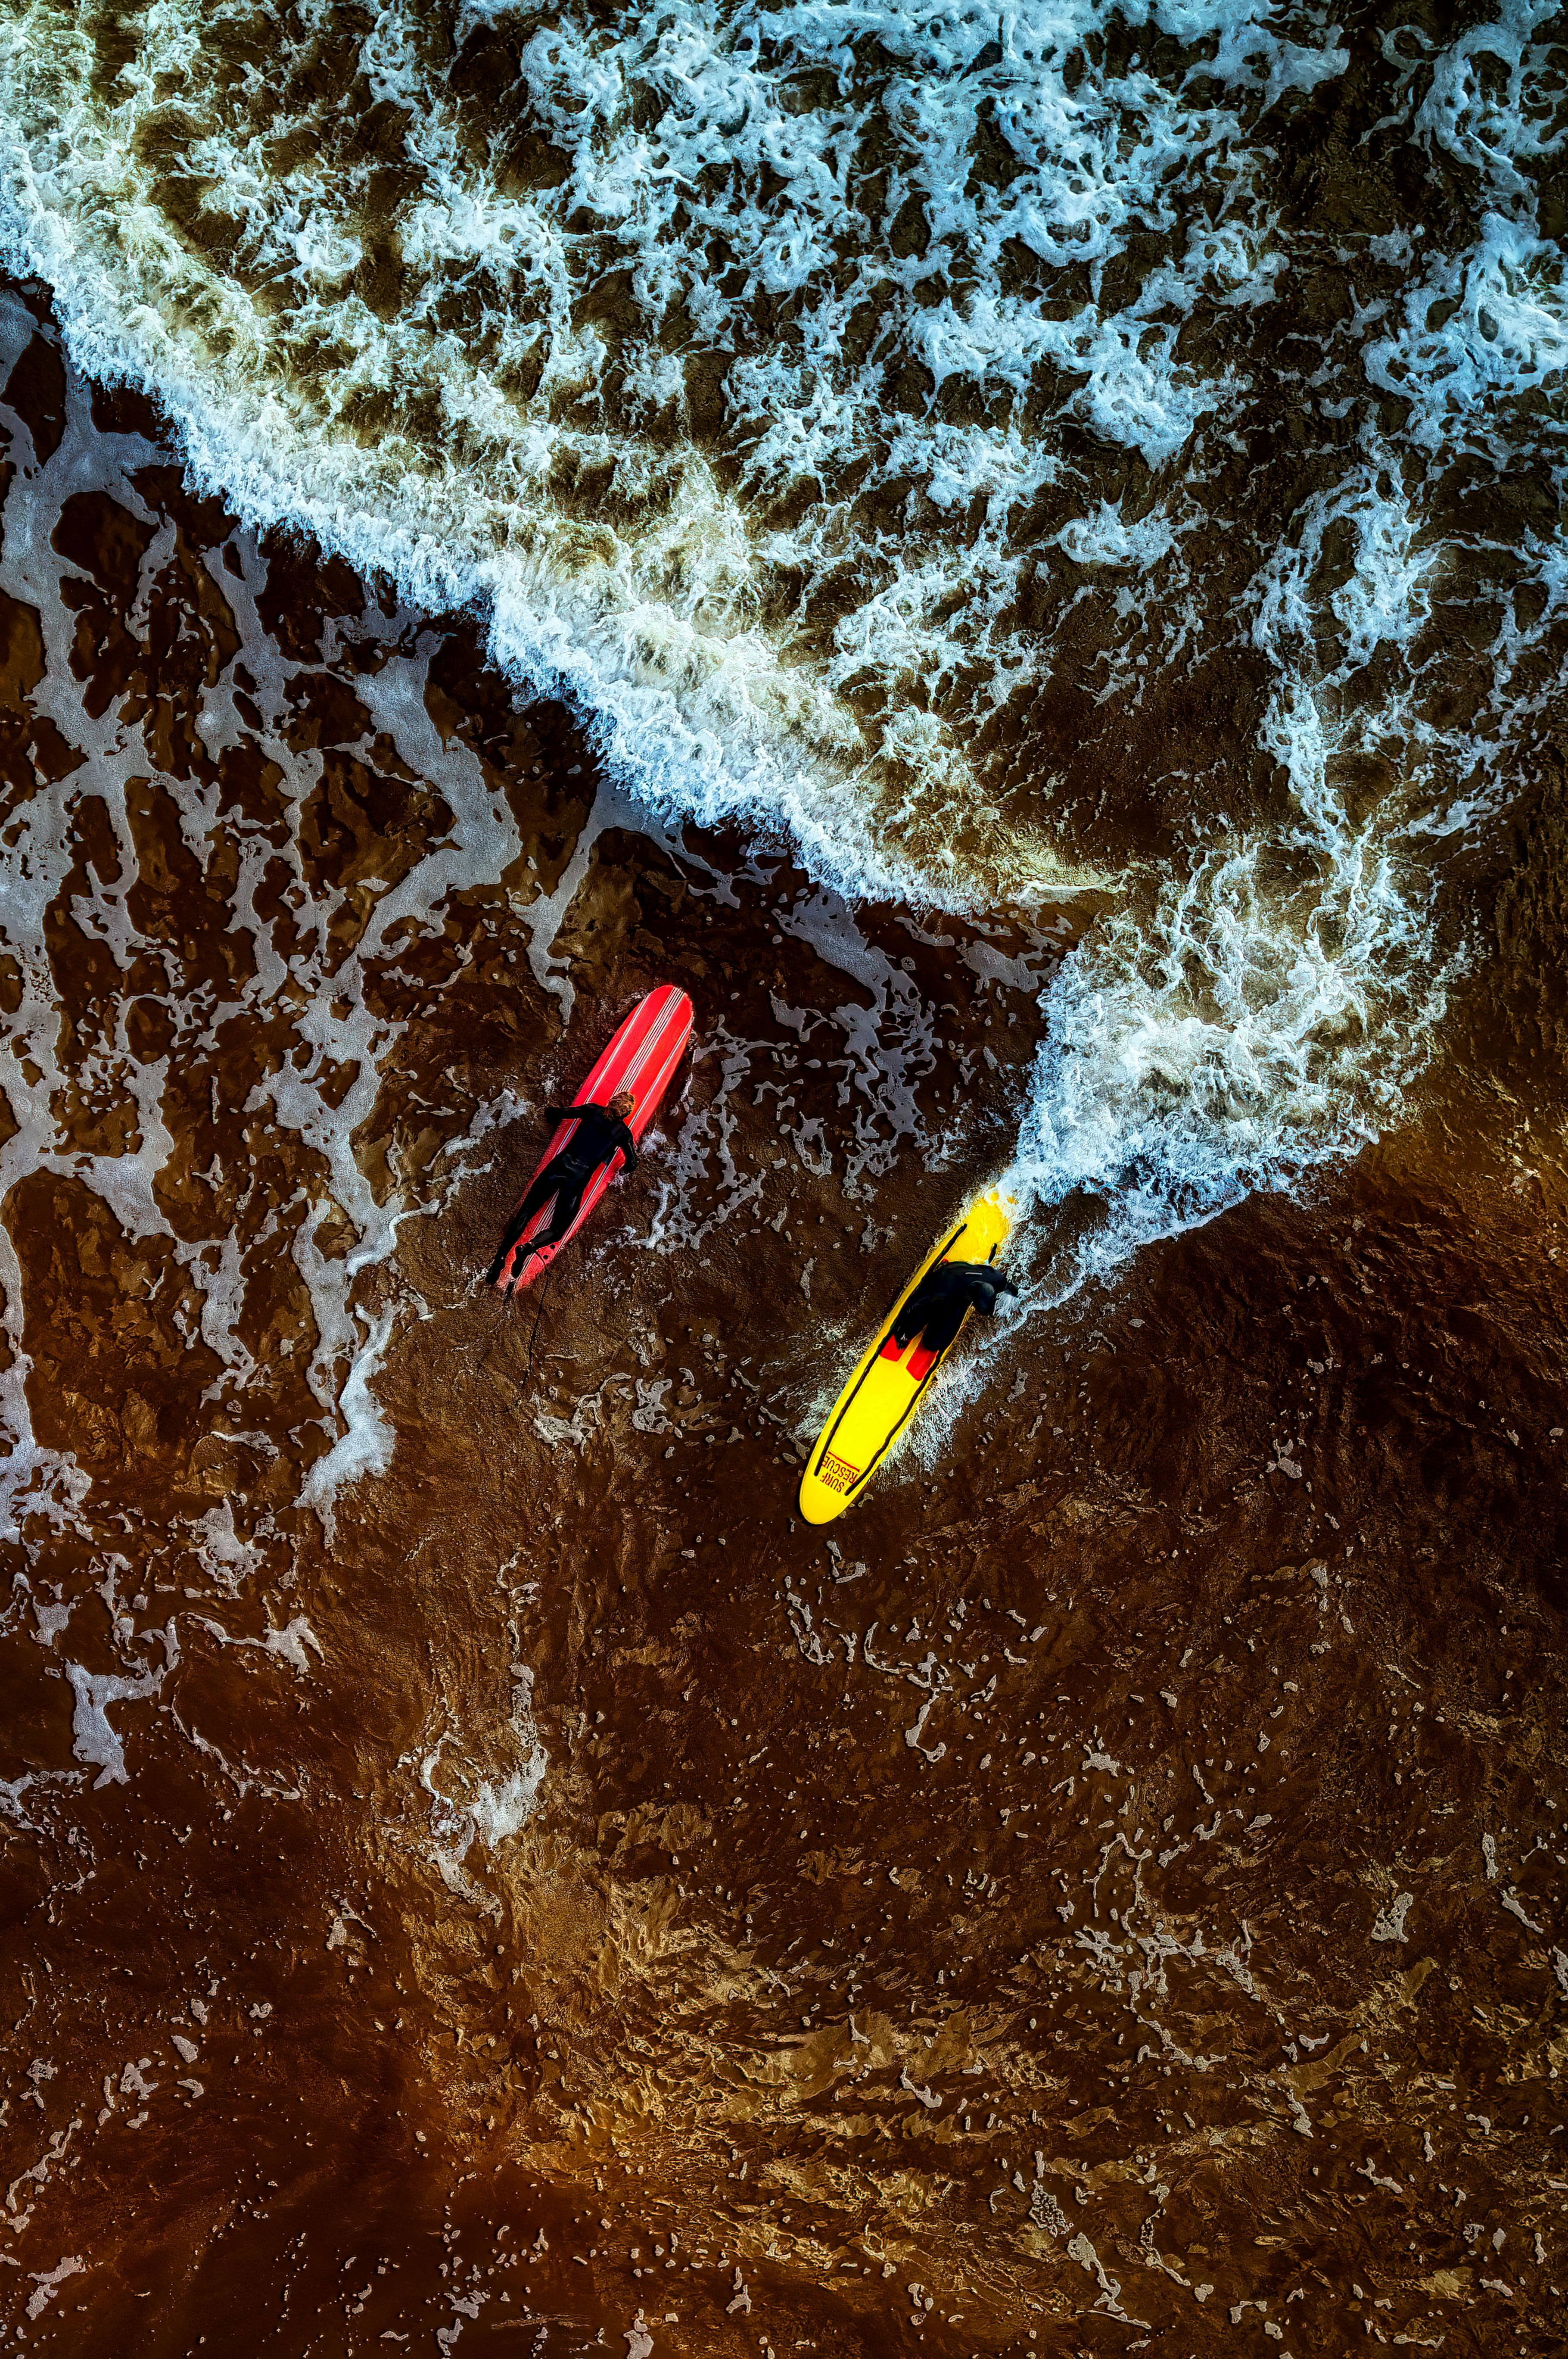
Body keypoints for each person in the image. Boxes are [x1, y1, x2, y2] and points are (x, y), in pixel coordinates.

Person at [487, 1089, 638, 1287]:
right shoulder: (623, 1134)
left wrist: (548, 1110)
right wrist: (620, 1174)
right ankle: (528, 1248)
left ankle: (499, 1261)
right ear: (625, 1114)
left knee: (526, 1212)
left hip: (558, 1167)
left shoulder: (591, 1110)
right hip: (576, 1181)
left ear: (611, 1101)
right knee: (558, 1230)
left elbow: (558, 1113)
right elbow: (632, 1164)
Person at [888, 1256, 1017, 1359]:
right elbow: (916, 1301)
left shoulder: (998, 1279)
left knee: (939, 1343)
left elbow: (1013, 1290)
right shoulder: (946, 1288)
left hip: (960, 1296)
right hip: (943, 1286)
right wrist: (902, 1332)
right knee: (923, 1337)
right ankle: (921, 1322)